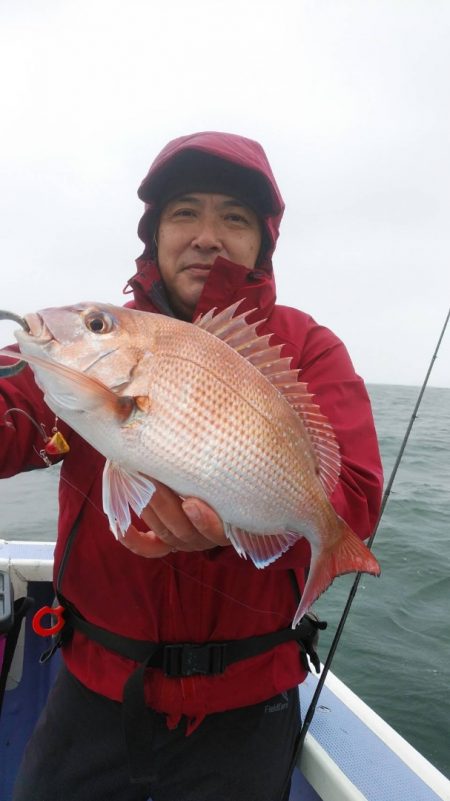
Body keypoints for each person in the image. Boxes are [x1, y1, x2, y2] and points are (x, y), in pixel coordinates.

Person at [0, 132, 383, 801]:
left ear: (263, 241)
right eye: (185, 212)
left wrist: (242, 526)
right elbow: (13, 416)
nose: (208, 235)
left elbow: (351, 491)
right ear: (154, 235)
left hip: (247, 707)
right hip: (93, 690)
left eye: (234, 217)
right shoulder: (92, 346)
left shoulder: (309, 349)